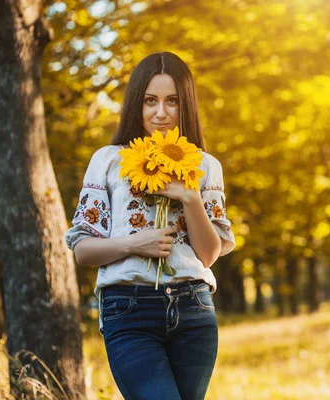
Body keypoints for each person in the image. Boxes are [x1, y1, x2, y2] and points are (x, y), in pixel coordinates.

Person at [65, 52, 236, 400]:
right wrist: (134, 244)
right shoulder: (108, 160)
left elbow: (208, 254)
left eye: (172, 101)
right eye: (150, 101)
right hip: (128, 310)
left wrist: (190, 197)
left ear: (185, 104)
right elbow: (83, 249)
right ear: (135, 105)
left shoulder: (205, 165)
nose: (161, 113)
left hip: (193, 309)